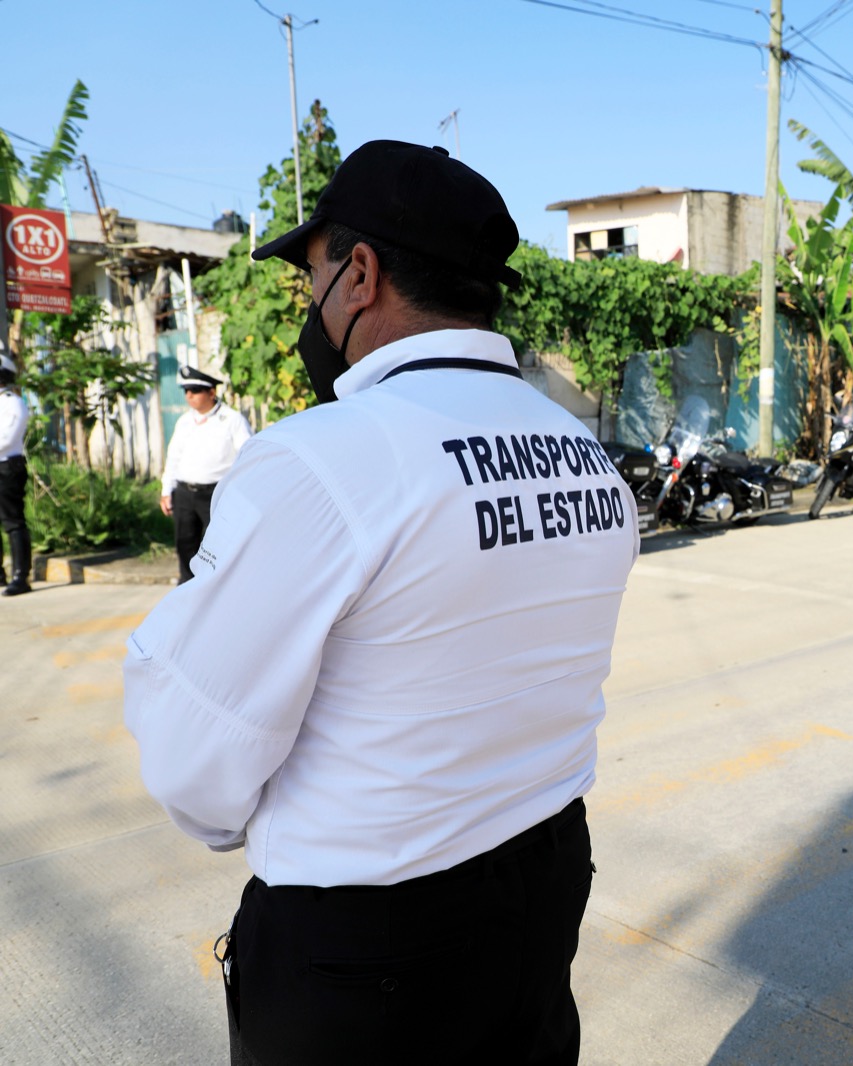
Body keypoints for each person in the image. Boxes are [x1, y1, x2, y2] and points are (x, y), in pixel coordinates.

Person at [122, 140, 639, 1065]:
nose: (310, 305)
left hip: (371, 954)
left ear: (359, 274)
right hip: (544, 884)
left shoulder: (321, 459)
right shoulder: (584, 454)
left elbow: (193, 761)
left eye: (312, 276)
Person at [160, 365, 253, 583]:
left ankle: (219, 589)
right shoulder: (184, 421)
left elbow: (247, 456)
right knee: (185, 545)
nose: (189, 396)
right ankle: (187, 591)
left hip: (216, 493)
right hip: (184, 493)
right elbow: (173, 458)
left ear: (211, 392)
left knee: (219, 548)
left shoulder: (232, 420)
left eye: (195, 390)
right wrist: (166, 490)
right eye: (186, 391)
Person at [0, 352, 30, 597]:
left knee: (13, 522)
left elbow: (7, 439)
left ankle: (21, 576)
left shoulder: (13, 403)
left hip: (7, 468)